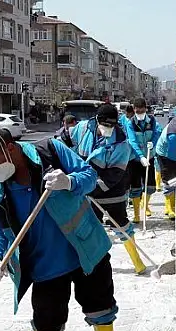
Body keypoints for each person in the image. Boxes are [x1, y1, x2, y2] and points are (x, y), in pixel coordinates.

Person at [0, 129, 126, 331]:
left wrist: (68, 181)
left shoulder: (51, 152)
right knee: (46, 320)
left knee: (101, 308)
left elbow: (90, 177)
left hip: (86, 250)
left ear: (10, 148)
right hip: (44, 265)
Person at [72, 104, 147, 274]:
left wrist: (90, 187)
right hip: (87, 188)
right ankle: (92, 263)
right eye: (106, 125)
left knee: (120, 224)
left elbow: (114, 175)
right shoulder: (83, 128)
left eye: (112, 125)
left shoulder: (121, 143)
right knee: (89, 226)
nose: (109, 129)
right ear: (97, 120)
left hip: (112, 190)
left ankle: (137, 261)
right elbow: (67, 143)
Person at [125, 98, 162, 223]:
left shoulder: (151, 121)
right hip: (135, 160)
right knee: (135, 187)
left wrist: (153, 143)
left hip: (149, 157)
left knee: (150, 185)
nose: (139, 112)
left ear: (145, 109)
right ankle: (136, 214)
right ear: (134, 109)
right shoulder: (130, 123)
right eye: (137, 110)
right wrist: (140, 156)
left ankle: (145, 206)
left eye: (141, 109)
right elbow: (132, 141)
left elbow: (157, 133)